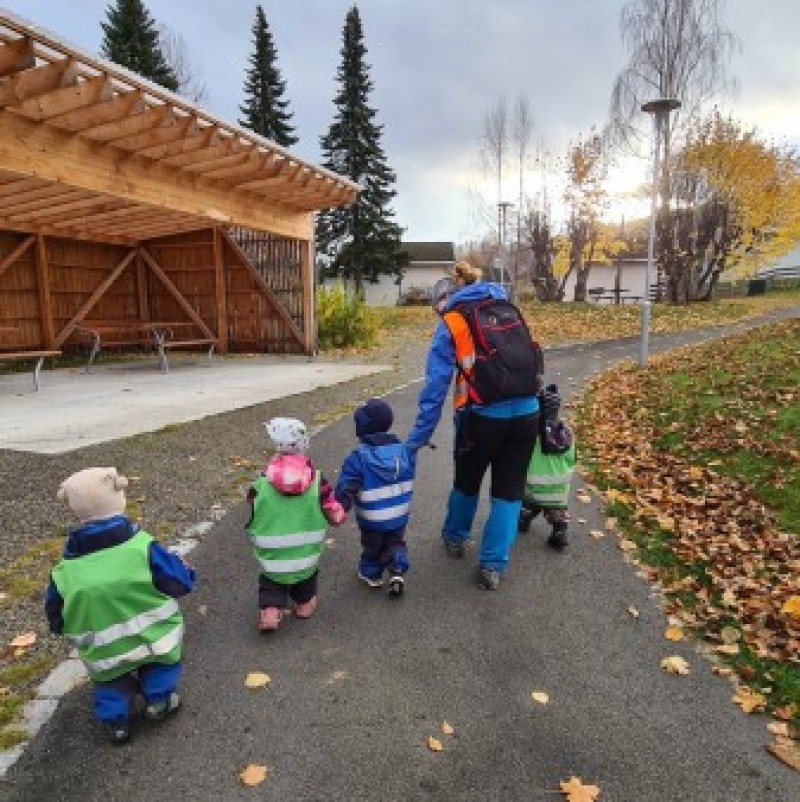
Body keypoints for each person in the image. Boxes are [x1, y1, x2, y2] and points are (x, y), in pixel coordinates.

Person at [406, 260, 541, 590]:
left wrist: (418, 439)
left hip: (482, 417)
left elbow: (435, 388)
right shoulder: (506, 306)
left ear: (446, 298)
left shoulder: (452, 320)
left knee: (467, 480)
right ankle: (493, 565)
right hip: (528, 413)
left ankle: (455, 537)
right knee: (508, 491)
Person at [46, 467, 196, 744]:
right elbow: (175, 579)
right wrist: (188, 577)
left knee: (110, 682)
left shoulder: (64, 570)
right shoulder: (142, 547)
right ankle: (159, 702)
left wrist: (60, 626)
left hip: (104, 647)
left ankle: (117, 723)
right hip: (153, 635)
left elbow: (55, 609)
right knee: (160, 666)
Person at [246, 417, 346, 632]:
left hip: (272, 560)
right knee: (306, 581)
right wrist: (339, 516)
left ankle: (271, 611)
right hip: (306, 558)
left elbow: (252, 503)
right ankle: (304, 605)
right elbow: (333, 511)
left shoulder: (261, 483)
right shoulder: (318, 481)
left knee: (271, 582)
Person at [335, 398, 416, 597]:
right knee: (395, 540)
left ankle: (372, 574)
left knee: (373, 546)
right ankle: (397, 566)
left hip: (372, 517)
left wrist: (339, 506)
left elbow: (348, 486)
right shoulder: (404, 452)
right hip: (399, 514)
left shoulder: (358, 458)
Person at [518, 384, 576, 551]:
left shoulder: (530, 432)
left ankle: (523, 520)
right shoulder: (566, 432)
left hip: (531, 488)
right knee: (558, 511)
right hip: (558, 492)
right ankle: (559, 532)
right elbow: (572, 459)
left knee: (526, 502)